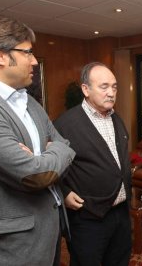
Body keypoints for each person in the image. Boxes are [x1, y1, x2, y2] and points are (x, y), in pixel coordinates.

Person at [0, 13, 76, 266]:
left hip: (50, 231)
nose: (34, 62)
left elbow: (65, 144)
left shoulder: (28, 100)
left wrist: (48, 155)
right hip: (15, 247)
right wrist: (52, 155)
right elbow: (35, 175)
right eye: (27, 53)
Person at [54, 62, 132, 266]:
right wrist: (63, 192)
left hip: (121, 213)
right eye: (104, 86)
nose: (111, 93)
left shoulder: (117, 119)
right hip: (88, 218)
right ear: (85, 89)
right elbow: (49, 166)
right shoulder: (65, 124)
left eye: (114, 87)